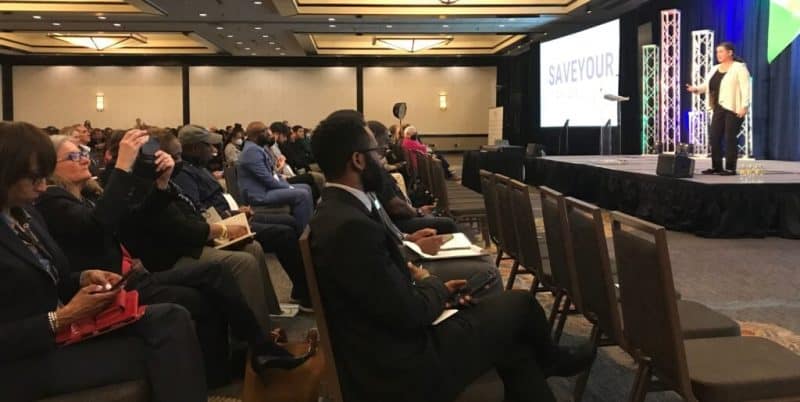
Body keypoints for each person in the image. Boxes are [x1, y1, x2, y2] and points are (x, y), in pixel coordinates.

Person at [309, 110, 593, 402]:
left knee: (514, 344)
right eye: (377, 153)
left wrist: (441, 295)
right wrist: (434, 286)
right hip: (402, 367)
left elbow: (384, 298)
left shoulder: (337, 210)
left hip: (388, 345)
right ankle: (551, 360)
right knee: (521, 304)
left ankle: (548, 362)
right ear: (358, 160)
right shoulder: (351, 227)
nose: (382, 161)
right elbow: (409, 313)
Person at [36, 131, 307, 386]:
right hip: (113, 289)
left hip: (130, 275)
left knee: (216, 274)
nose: (85, 159)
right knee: (204, 295)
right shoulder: (52, 200)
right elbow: (98, 226)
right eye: (73, 156)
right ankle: (232, 364)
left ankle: (254, 351)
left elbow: (134, 218)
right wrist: (122, 167)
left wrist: (162, 184)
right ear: (50, 168)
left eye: (83, 153)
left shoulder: (85, 196)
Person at [0, 121, 207, 402]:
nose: (43, 184)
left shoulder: (24, 214)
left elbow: (52, 278)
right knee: (162, 348)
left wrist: (84, 276)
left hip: (62, 329)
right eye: (35, 177)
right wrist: (62, 318)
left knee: (172, 317)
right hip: (22, 361)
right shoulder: (45, 205)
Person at [171, 124, 312, 310]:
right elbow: (198, 211)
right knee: (283, 234)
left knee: (289, 222)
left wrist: (237, 211)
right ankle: (305, 293)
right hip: (222, 227)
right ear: (195, 148)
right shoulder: (184, 174)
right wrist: (231, 215)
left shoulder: (199, 167)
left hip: (232, 216)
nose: (213, 150)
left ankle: (304, 286)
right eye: (208, 145)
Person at [687, 41, 752, 175]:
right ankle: (717, 166)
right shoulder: (714, 68)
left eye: (721, 51)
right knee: (714, 136)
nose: (718, 54)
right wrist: (696, 89)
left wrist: (744, 106)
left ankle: (730, 168)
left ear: (730, 52)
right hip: (718, 107)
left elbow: (746, 88)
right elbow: (707, 85)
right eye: (717, 52)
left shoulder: (739, 67)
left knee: (729, 137)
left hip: (733, 107)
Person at [238, 121, 314, 230]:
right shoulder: (251, 151)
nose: (269, 134)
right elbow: (267, 179)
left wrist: (286, 184)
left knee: (306, 187)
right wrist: (288, 187)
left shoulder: (256, 148)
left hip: (266, 189)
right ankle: (303, 233)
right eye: (264, 131)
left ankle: (309, 226)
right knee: (302, 194)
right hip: (260, 194)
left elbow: (272, 174)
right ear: (255, 135)